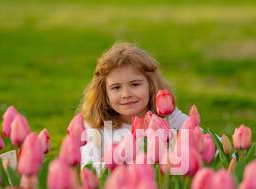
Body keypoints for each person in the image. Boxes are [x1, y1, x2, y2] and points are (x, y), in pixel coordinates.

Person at [78, 41, 189, 174]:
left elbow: (208, 144)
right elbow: (88, 170)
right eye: (116, 88)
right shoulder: (96, 127)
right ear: (104, 93)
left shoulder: (170, 119)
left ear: (151, 85)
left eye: (135, 85)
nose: (126, 94)